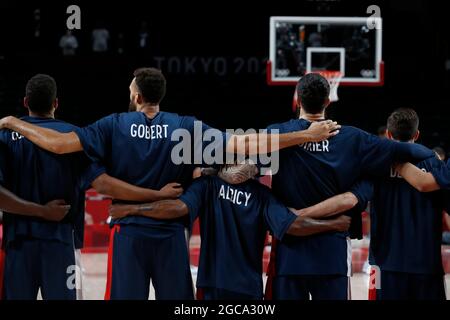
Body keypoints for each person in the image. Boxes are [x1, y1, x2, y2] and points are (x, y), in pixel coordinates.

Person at [0, 68, 340, 300]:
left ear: (135, 95)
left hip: (129, 234)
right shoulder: (184, 128)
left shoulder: (114, 125)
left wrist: (14, 122)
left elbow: (60, 145)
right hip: (171, 239)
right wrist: (302, 135)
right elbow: (243, 144)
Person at [0, 74, 182, 300]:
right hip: (61, 243)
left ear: (25, 102)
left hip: (18, 244)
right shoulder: (74, 136)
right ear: (56, 103)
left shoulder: (6, 136)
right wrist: (155, 195)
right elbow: (103, 184)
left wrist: (37, 210)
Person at [256, 74, 434, 300]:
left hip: (288, 256)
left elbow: (244, 152)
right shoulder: (353, 137)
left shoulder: (278, 133)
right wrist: (432, 156)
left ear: (298, 101)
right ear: (328, 101)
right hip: (333, 255)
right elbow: (406, 149)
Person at [109, 163, 352, 300]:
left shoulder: (208, 184)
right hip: (248, 289)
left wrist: (132, 209)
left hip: (211, 285)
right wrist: (334, 224)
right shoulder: (263, 196)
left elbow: (177, 208)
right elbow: (292, 226)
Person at [290, 108, 448, 300]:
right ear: (417, 134)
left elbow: (349, 199)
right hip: (427, 265)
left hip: (384, 265)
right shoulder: (435, 165)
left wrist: (301, 214)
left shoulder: (376, 167)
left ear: (388, 135)